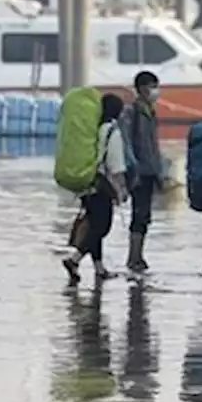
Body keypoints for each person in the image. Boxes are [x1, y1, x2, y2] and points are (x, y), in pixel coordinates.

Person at [63, 93, 130, 284]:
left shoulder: (93, 129)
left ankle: (99, 269)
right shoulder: (112, 131)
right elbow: (115, 165)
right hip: (101, 186)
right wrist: (121, 189)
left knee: (94, 225)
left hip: (86, 182)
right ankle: (73, 259)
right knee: (102, 227)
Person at [121, 71, 163, 272]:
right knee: (139, 214)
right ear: (141, 89)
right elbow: (127, 142)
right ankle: (133, 257)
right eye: (152, 86)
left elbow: (154, 145)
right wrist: (133, 169)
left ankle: (139, 256)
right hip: (139, 172)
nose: (156, 91)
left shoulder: (150, 111)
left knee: (145, 216)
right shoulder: (132, 112)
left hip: (150, 171)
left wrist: (159, 171)